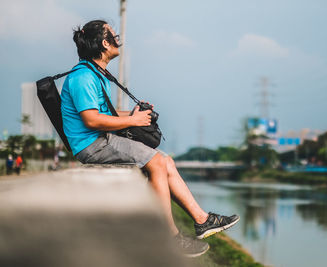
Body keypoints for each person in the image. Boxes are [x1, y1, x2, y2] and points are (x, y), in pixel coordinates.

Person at [60, 20, 239, 257]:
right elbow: (92, 120)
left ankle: (202, 220)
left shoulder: (95, 73)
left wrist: (134, 115)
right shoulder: (83, 77)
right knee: (155, 162)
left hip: (100, 140)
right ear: (104, 43)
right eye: (114, 36)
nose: (117, 41)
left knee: (165, 161)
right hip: (92, 144)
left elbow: (105, 115)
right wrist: (133, 122)